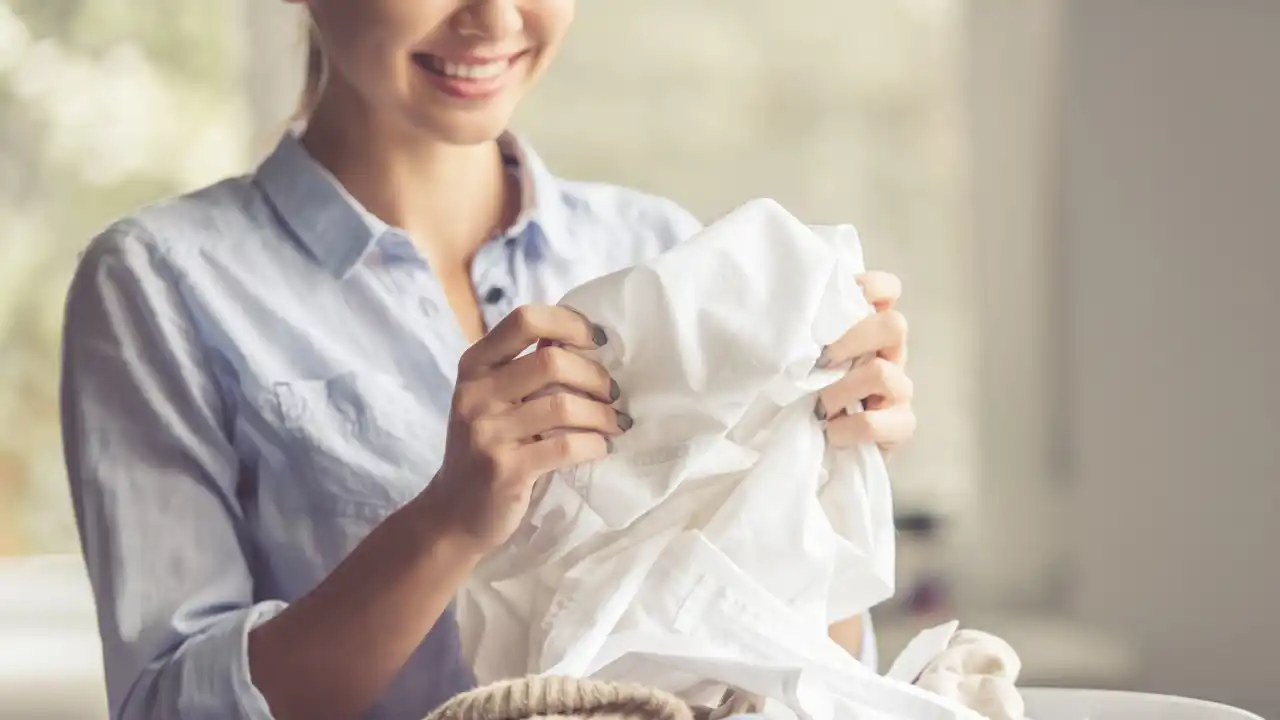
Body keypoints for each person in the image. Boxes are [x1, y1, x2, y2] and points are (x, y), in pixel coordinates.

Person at [59, 1, 917, 719]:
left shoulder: (659, 250)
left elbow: (803, 669)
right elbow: (170, 706)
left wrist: (827, 467)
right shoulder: (161, 284)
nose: (495, 19)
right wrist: (448, 522)